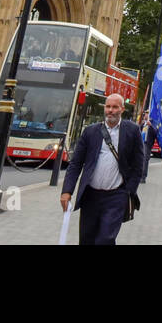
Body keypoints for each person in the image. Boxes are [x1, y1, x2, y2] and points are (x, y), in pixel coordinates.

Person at [60, 93, 143, 245]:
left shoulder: (132, 131)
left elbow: (138, 165)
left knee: (105, 239)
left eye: (115, 107)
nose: (111, 110)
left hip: (116, 196)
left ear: (122, 109)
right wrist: (67, 191)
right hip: (90, 196)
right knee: (87, 239)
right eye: (108, 106)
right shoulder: (90, 132)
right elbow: (76, 163)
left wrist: (129, 191)